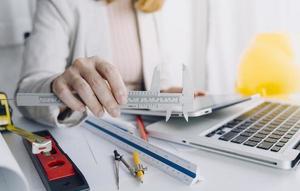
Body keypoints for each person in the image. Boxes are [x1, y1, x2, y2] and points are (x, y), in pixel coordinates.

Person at [16, 0, 203, 127]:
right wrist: (58, 89)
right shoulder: (59, 3)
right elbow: (24, 97)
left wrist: (167, 94)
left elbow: (156, 80)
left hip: (149, 128)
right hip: (92, 131)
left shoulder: (149, 7)